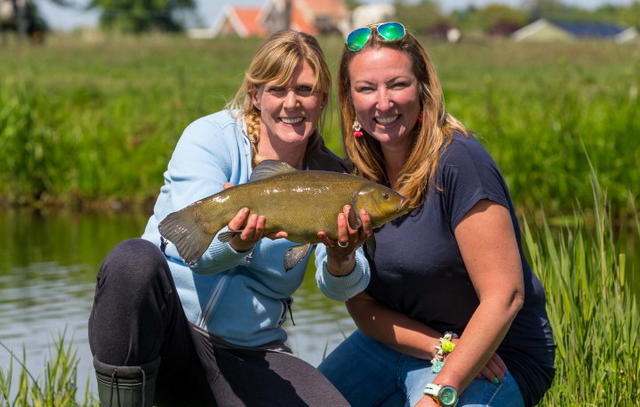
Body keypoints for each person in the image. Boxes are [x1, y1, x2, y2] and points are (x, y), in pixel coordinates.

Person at [88, 30, 372, 407]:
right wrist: (238, 242)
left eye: (305, 90)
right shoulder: (210, 137)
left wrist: (342, 258)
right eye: (277, 90)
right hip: (169, 335)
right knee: (132, 261)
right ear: (256, 96)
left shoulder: (333, 177)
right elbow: (197, 256)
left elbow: (340, 290)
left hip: (250, 352)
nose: (292, 103)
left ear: (322, 99)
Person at [315, 22, 555, 407]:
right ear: (350, 99)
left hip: (495, 356)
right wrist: (437, 345)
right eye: (366, 88)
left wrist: (442, 390)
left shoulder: (459, 161)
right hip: (402, 345)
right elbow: (361, 305)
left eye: (397, 84)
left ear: (423, 89)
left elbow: (505, 296)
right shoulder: (356, 179)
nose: (383, 102)